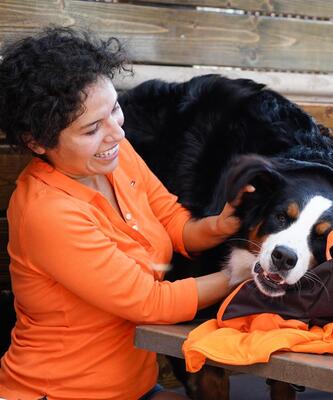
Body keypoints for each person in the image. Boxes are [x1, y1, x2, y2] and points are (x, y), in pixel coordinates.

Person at [0, 27, 254, 400]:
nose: (116, 133)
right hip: (55, 393)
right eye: (91, 129)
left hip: (134, 389)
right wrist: (247, 274)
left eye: (115, 109)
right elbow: (150, 302)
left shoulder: (115, 156)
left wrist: (219, 225)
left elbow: (171, 222)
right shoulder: (47, 211)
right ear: (37, 142)